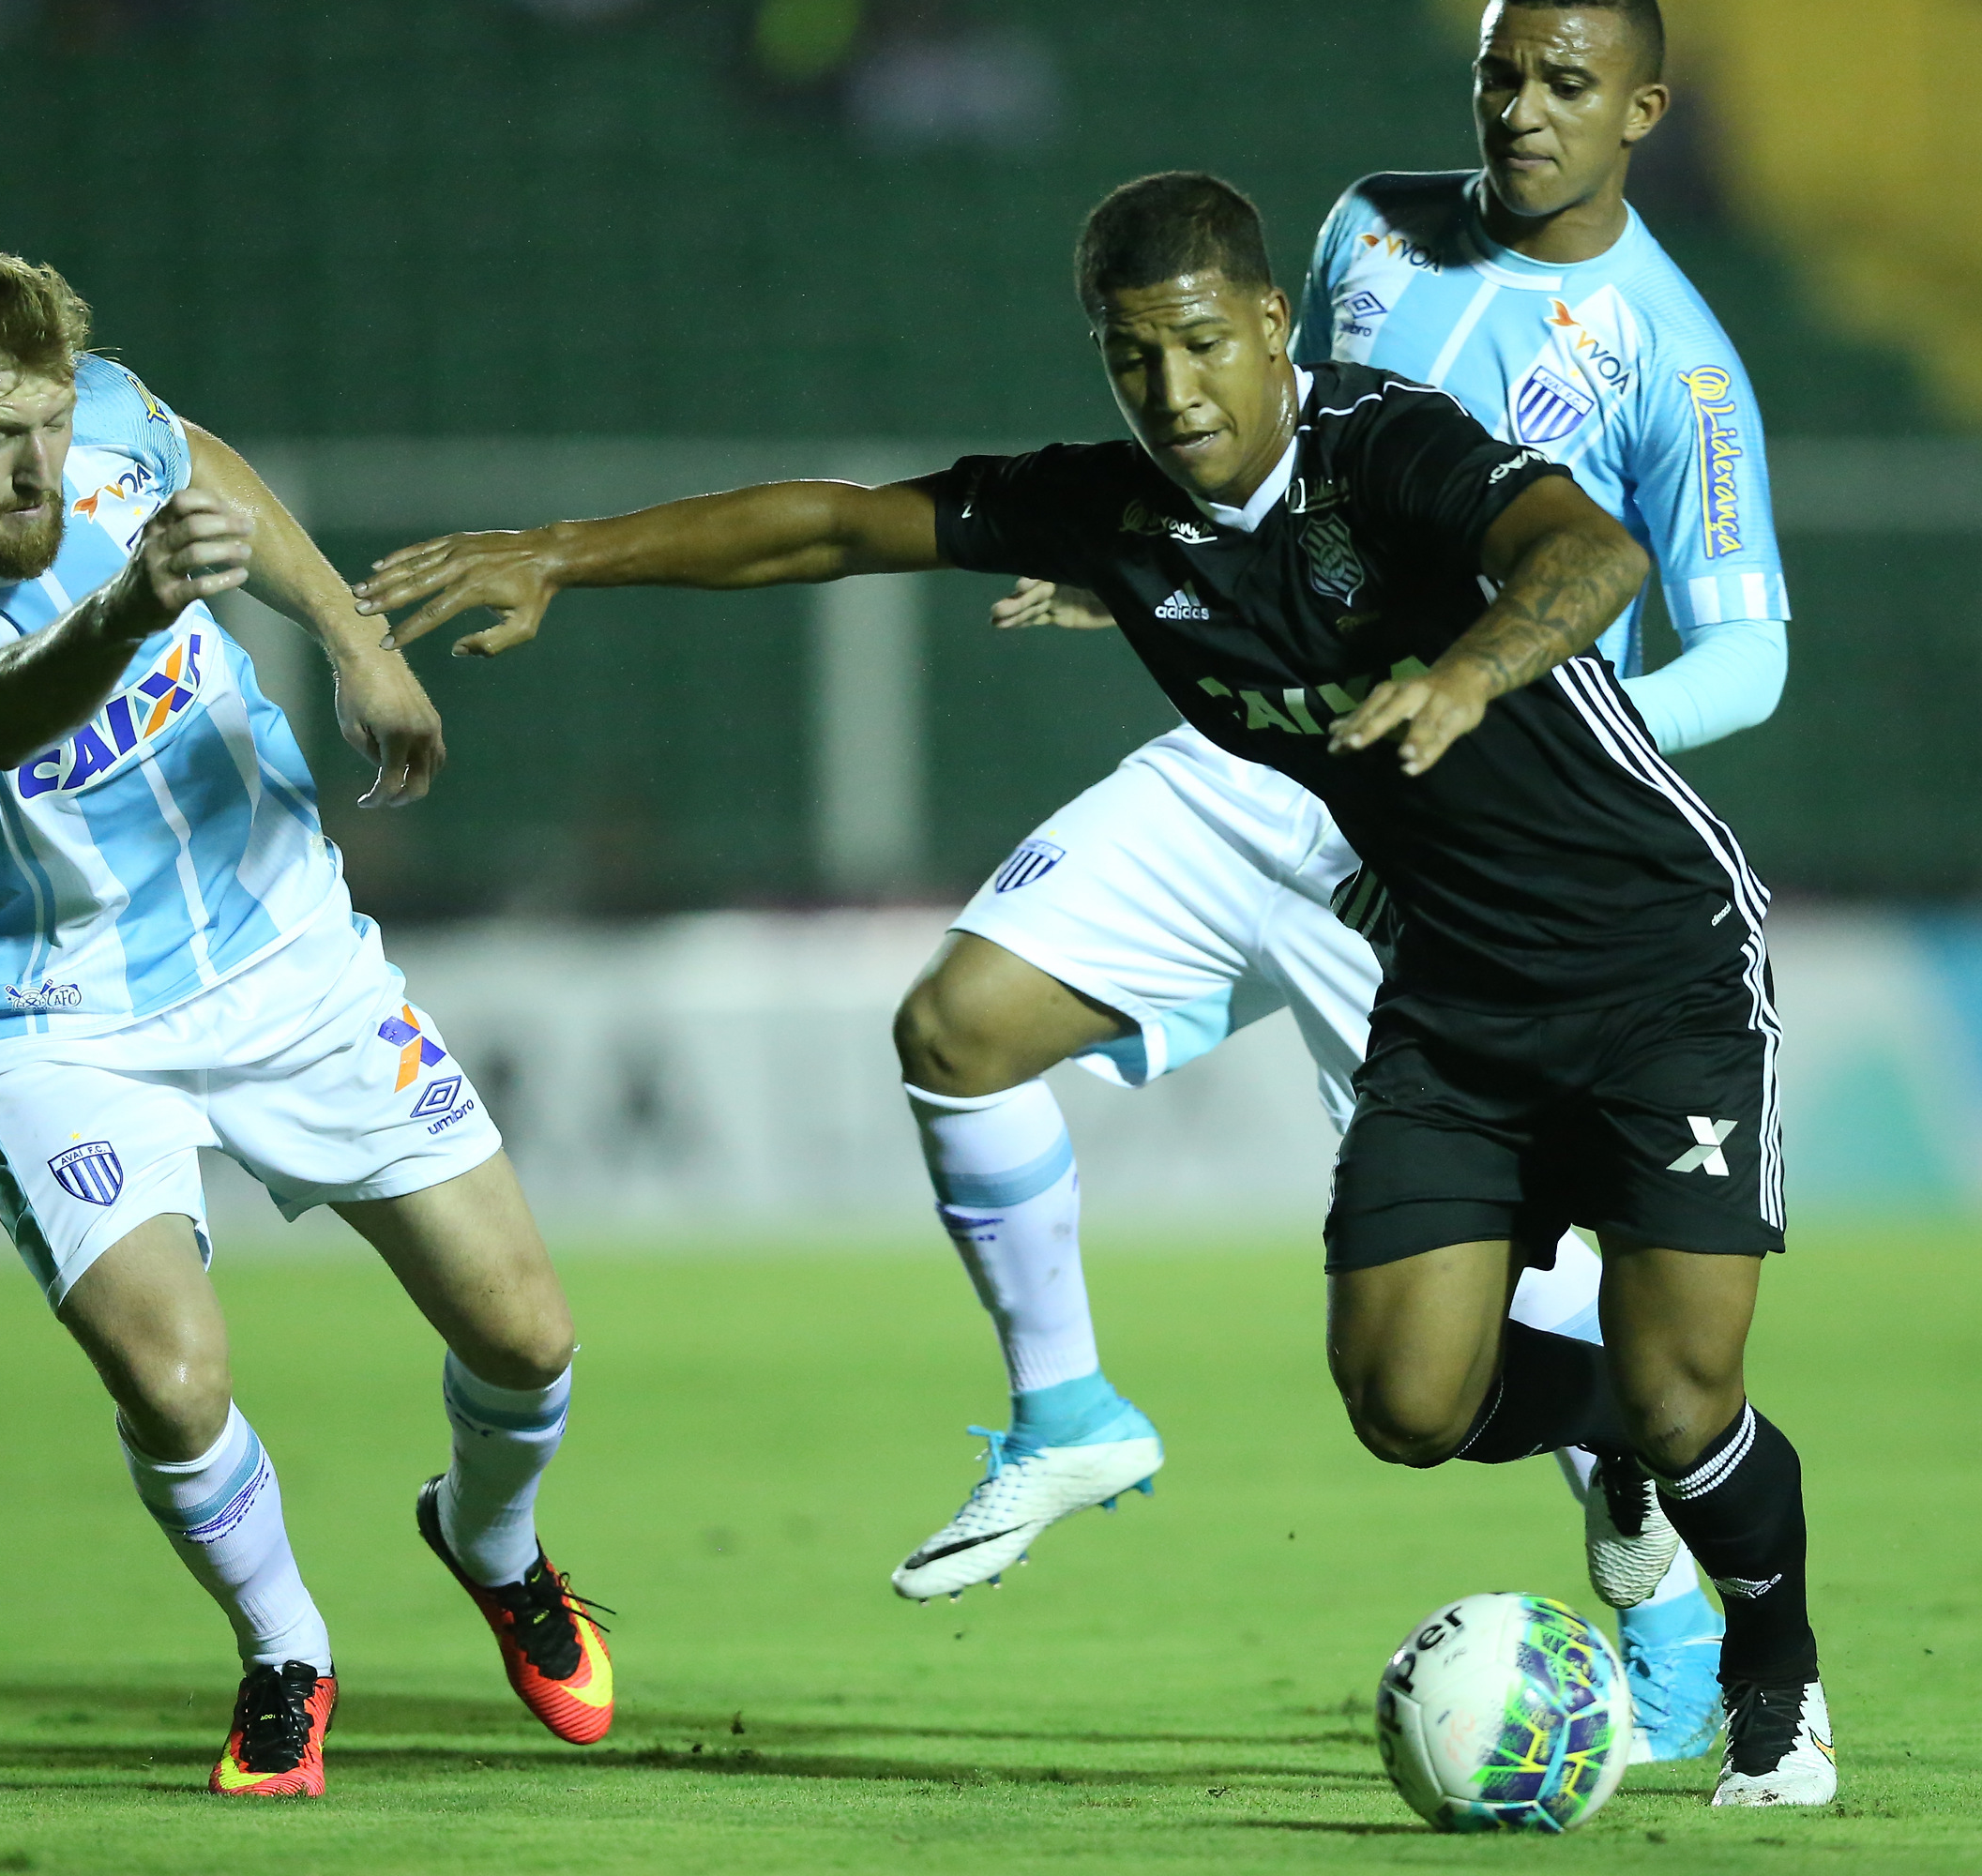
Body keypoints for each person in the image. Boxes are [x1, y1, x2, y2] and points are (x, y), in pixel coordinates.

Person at [353, 171, 1835, 1807]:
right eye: (1132, 360)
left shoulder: (1388, 446)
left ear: (1276, 325)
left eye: (1203, 345)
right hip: (1451, 984)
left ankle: (1778, 1687)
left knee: (1693, 1380)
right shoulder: (1121, 517)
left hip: (1655, 959)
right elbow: (842, 523)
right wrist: (567, 552)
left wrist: (1471, 668)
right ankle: (1638, 1435)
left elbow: (1593, 549)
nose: (1174, 393)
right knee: (1412, 1403)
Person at [953, 0, 1784, 1758]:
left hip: (1465, 836)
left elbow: (1751, 657)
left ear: (1641, 108)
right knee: (959, 1017)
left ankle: (1654, 1528)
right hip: (1270, 762)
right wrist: (1147, 582)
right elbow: (1280, 475)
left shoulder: (1681, 367)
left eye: (1565, 85)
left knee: (1483, 1348)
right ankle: (1063, 1406)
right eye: (1500, 75)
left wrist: (1516, 726)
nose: (1523, 113)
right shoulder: (1364, 231)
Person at [0, 245, 613, 1798]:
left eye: (46, 423)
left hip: (288, 955)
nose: (38, 468)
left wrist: (355, 641)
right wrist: (128, 607)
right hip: (50, 1017)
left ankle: (489, 1543)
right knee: (171, 1379)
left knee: (528, 1332)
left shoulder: (97, 412)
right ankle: (286, 1653)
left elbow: (195, 458)